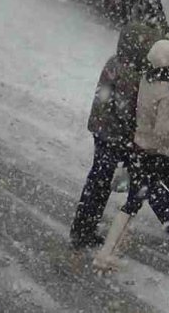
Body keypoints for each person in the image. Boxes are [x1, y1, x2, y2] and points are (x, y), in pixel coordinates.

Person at [93, 39, 169, 270]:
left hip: (142, 151)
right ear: (168, 65)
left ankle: (105, 254)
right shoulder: (166, 91)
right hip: (162, 155)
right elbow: (163, 130)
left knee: (133, 202)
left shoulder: (147, 81)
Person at [69, 23, 160, 249]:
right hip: (111, 133)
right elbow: (125, 109)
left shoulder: (116, 62)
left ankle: (84, 227)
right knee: (103, 178)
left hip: (103, 129)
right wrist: (137, 133)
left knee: (100, 178)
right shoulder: (128, 70)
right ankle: (84, 230)